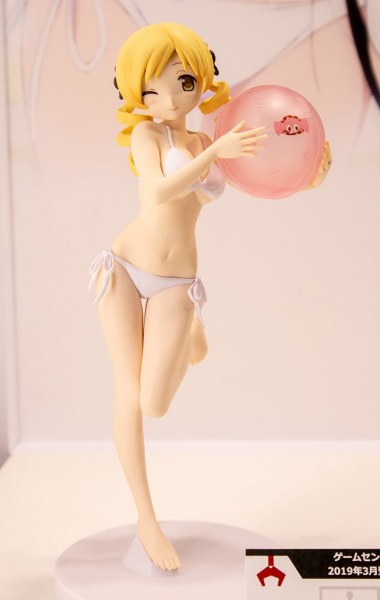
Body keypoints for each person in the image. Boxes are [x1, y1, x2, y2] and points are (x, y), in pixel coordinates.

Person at [87, 22, 266, 572]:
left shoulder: (206, 143)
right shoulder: (148, 136)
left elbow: (258, 179)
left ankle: (190, 326)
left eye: (183, 83)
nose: (168, 100)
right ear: (136, 94)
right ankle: (147, 519)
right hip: (123, 267)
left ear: (201, 79)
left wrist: (310, 170)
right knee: (128, 392)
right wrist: (215, 155)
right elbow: (159, 190)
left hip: (175, 282)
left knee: (155, 404)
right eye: (151, 90)